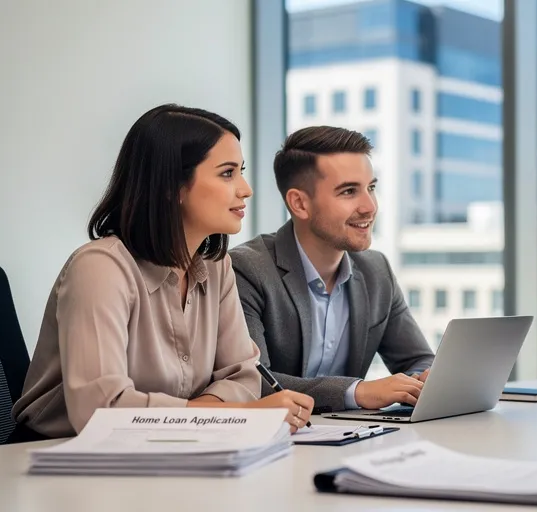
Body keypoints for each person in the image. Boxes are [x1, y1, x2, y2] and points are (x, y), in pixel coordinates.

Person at [11, 104, 314, 442]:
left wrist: (201, 418)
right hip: (55, 454)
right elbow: (101, 410)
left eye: (239, 171)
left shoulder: (217, 267)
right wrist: (230, 416)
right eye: (227, 173)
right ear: (172, 185)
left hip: (167, 447)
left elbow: (243, 376)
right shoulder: (99, 269)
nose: (245, 189)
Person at [230, 126, 434, 413]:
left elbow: (419, 360)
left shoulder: (376, 270)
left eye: (371, 188)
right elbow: (253, 381)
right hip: (280, 435)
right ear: (300, 203)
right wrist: (357, 392)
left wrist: (422, 380)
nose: (370, 207)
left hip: (354, 434)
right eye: (349, 191)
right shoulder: (246, 269)